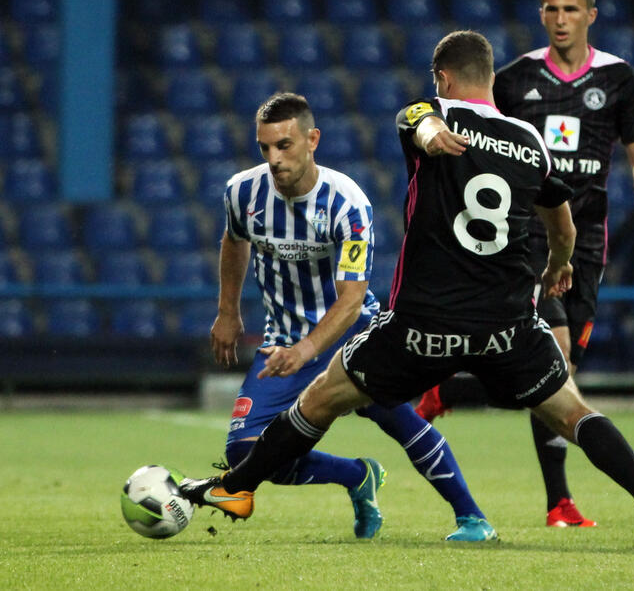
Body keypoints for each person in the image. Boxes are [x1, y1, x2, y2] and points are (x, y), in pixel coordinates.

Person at [177, 32, 634, 548]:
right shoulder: (529, 142)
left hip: (423, 325)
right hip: (505, 327)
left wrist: (431, 131)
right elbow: (564, 226)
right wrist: (559, 266)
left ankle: (237, 488)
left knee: (321, 398)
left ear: (443, 78)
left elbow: (420, 120)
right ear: (490, 79)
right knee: (575, 414)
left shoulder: (429, 113)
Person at [415, 0, 634, 529]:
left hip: (587, 241)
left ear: (590, 15)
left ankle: (451, 385)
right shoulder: (515, 79)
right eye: (551, 9)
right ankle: (559, 502)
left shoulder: (619, 78)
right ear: (542, 13)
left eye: (571, 9)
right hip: (530, 236)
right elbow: (480, 137)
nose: (560, 19)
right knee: (554, 355)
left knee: (560, 368)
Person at [205, 91, 496, 541]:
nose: (274, 159)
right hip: (284, 342)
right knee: (246, 458)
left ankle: (472, 517)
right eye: (265, 147)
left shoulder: (347, 203)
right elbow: (234, 240)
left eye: (284, 145)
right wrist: (227, 311)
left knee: (396, 418)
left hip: (353, 334)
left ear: (312, 140)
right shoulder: (243, 191)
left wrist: (307, 350)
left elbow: (351, 300)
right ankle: (357, 476)